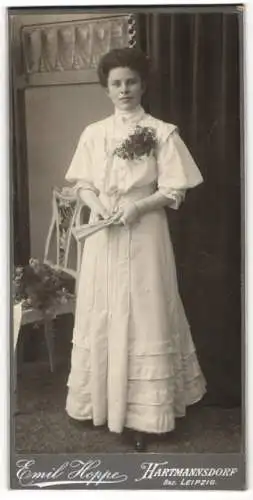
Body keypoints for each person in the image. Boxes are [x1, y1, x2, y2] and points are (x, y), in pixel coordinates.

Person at [64, 47, 206, 451]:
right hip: (103, 233)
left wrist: (138, 206)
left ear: (143, 85)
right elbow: (84, 184)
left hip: (145, 233)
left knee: (145, 312)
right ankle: (103, 405)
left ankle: (146, 416)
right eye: (115, 83)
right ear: (106, 89)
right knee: (103, 308)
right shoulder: (93, 133)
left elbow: (174, 188)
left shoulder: (162, 132)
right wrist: (99, 205)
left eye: (130, 82)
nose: (123, 89)